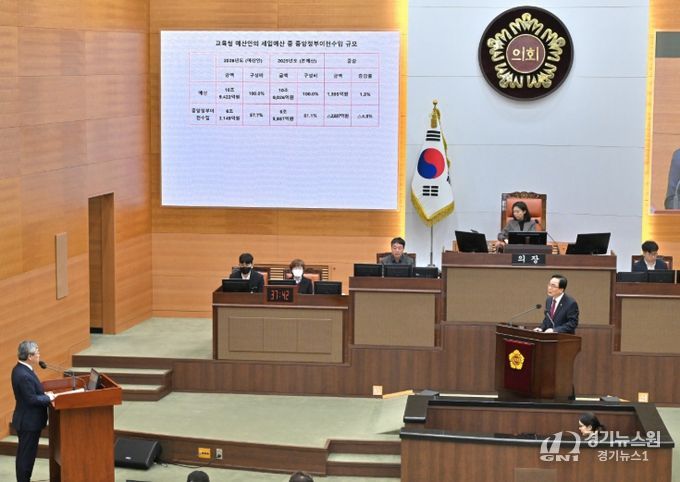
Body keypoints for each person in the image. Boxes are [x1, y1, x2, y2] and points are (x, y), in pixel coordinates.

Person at [12, 341, 55, 482]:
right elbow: (31, 400)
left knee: (25, 456)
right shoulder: (23, 374)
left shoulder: (21, 369)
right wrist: (48, 398)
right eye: (37, 352)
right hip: (28, 422)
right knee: (26, 458)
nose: (39, 354)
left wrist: (44, 394)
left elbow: (31, 394)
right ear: (30, 356)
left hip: (27, 420)